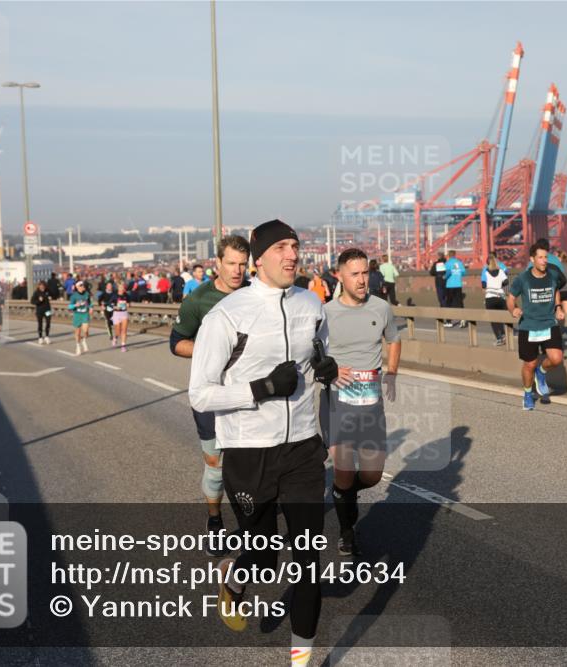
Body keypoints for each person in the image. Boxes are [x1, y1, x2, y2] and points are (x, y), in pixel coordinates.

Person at [188, 219, 337, 663]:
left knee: (309, 558)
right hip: (249, 452)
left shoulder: (312, 304)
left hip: (304, 450)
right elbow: (200, 393)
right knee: (264, 554)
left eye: (295, 246)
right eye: (281, 248)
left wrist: (327, 370)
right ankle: (235, 578)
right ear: (259, 259)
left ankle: (302, 658)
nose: (292, 255)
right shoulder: (228, 315)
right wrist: (260, 389)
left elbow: (320, 354)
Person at [170, 235, 250, 554]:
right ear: (217, 263)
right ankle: (215, 520)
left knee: (249, 464)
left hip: (247, 395)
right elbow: (176, 343)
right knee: (216, 465)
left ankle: (252, 524)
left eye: (243, 264)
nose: (237, 270)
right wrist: (211, 350)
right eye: (231, 263)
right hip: (210, 395)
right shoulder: (198, 300)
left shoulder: (256, 295)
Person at [322, 247, 401, 556]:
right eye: (354, 274)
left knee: (371, 475)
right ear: (339, 276)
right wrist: (329, 371)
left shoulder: (381, 308)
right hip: (337, 403)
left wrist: (391, 372)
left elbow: (394, 339)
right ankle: (346, 531)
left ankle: (344, 495)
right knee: (343, 468)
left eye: (365, 273)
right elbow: (312, 356)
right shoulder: (325, 314)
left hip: (370, 404)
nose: (361, 279)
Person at [508, 243, 567, 411]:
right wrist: (514, 309)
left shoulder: (553, 274)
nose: (544, 261)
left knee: (556, 358)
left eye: (546, 257)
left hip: (549, 323)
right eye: (540, 257)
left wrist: (558, 307)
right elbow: (511, 298)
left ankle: (541, 372)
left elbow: (556, 289)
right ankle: (528, 393)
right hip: (529, 326)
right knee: (529, 364)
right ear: (532, 259)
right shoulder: (523, 279)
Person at [482, 255, 509, 345]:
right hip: (501, 297)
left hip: (490, 297)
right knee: (501, 317)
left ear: (487, 263)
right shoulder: (501, 271)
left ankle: (499, 338)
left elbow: (483, 285)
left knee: (493, 319)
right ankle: (504, 334)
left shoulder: (485, 272)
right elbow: (506, 282)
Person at [68, 279, 93, 355]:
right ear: (77, 287)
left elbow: (90, 303)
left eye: (83, 285)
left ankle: (84, 341)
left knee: (86, 331)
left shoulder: (87, 294)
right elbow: (69, 306)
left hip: (85, 314)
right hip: (77, 315)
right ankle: (78, 346)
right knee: (78, 333)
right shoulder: (74, 296)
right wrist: (75, 305)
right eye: (81, 285)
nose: (82, 287)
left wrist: (91, 308)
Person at [443, 249, 466, 327]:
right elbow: (463, 272)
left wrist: (444, 277)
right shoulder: (459, 263)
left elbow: (448, 272)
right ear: (455, 255)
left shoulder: (448, 263)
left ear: (449, 255)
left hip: (450, 285)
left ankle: (449, 321)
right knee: (460, 302)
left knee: (448, 303)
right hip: (458, 284)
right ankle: (463, 319)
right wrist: (457, 275)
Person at [112, 283, 131, 351]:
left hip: (124, 313)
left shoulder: (127, 295)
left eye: (123, 287)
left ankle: (123, 345)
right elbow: (109, 305)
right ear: (118, 288)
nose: (122, 289)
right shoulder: (114, 296)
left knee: (124, 330)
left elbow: (129, 303)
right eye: (120, 287)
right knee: (118, 331)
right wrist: (115, 307)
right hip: (116, 314)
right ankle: (115, 337)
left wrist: (128, 305)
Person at [99, 281, 117, 346]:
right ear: (106, 287)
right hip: (106, 309)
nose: (110, 287)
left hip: (113, 309)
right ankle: (111, 335)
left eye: (110, 286)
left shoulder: (114, 293)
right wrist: (101, 306)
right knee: (108, 321)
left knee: (113, 322)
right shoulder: (103, 294)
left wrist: (115, 305)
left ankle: (115, 332)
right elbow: (99, 300)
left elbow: (116, 300)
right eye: (108, 286)